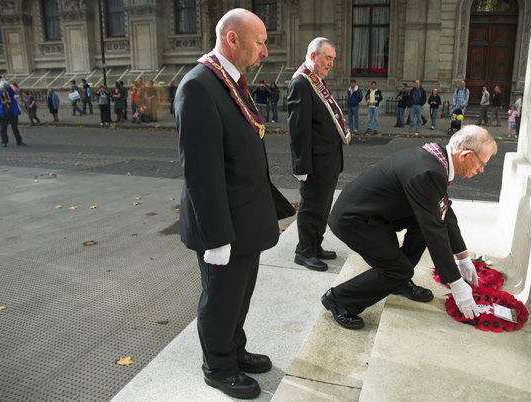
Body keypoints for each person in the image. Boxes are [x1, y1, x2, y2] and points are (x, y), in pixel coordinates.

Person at [175, 8, 294, 400]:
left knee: (240, 295)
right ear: (232, 39)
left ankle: (235, 349)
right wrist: (216, 237)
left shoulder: (227, 79)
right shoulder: (199, 85)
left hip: (245, 216)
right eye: (259, 42)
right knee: (221, 297)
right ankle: (219, 366)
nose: (264, 51)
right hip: (222, 223)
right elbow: (201, 171)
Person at [322, 125, 497, 329]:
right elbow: (435, 231)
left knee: (420, 228)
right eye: (482, 164)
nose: (481, 170)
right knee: (397, 270)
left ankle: (399, 283)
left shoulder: (436, 158)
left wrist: (463, 257)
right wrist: (456, 283)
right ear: (466, 155)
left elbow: (443, 212)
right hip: (355, 221)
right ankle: (339, 299)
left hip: (376, 214)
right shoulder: (428, 171)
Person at [288, 37, 350, 272]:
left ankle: (315, 245)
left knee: (323, 206)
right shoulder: (301, 83)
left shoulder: (316, 82)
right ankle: (304, 252)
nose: (331, 63)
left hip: (328, 160)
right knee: (311, 207)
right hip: (313, 163)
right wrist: (301, 167)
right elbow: (299, 131)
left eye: (333, 59)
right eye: (327, 58)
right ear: (313, 56)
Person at [0, 77, 26, 147]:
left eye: (0, 81)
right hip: (3, 111)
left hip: (11, 110)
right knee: (3, 128)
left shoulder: (7, 88)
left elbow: (13, 94)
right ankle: (4, 141)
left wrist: (8, 87)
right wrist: (1, 89)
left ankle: (19, 141)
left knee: (15, 127)